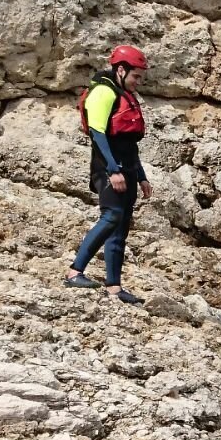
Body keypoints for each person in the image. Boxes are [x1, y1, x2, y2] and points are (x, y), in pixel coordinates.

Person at [64, 45, 152, 305]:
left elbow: (129, 144)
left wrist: (141, 176)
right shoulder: (103, 92)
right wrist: (112, 170)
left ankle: (114, 286)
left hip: (127, 169)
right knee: (111, 216)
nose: (138, 82)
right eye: (135, 76)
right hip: (107, 168)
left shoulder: (126, 94)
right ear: (121, 70)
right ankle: (74, 271)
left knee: (120, 226)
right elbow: (97, 133)